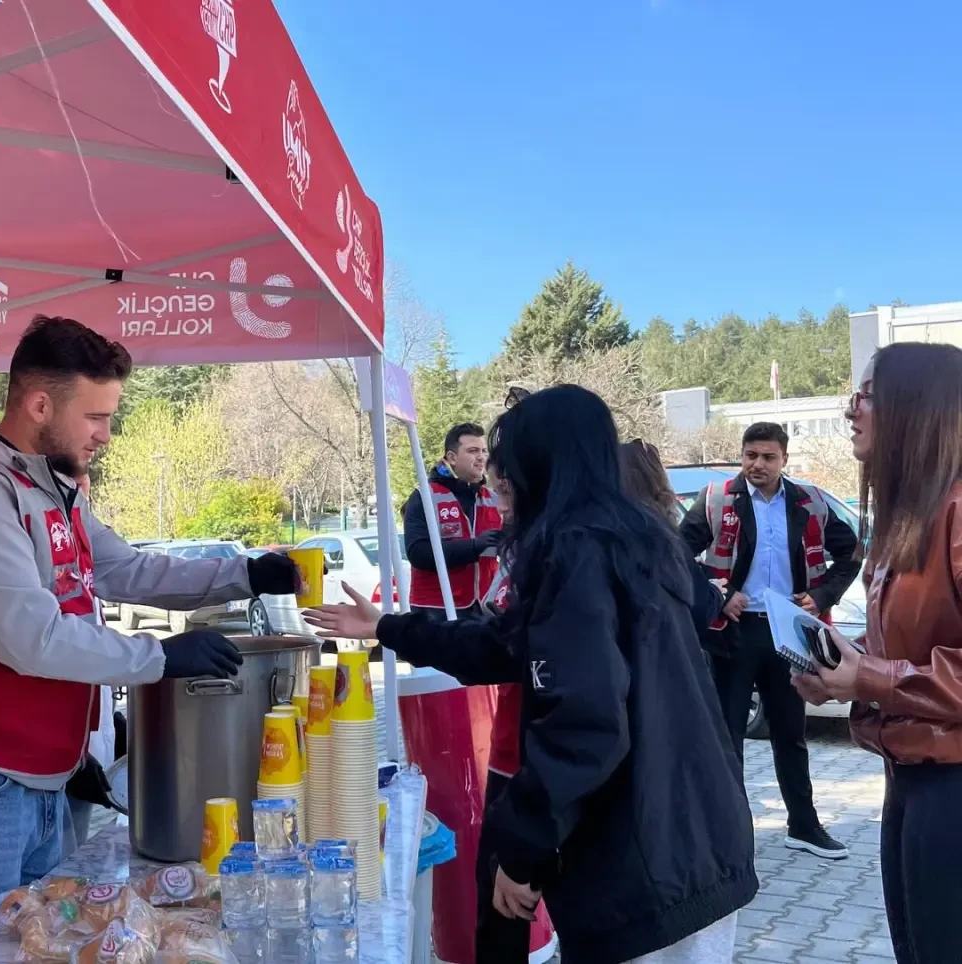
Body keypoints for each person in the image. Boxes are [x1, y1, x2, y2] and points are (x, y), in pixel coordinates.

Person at [0, 316, 299, 964]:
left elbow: (126, 568)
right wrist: (157, 659)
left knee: (42, 950)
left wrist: (240, 573)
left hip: (47, 777)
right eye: (95, 417)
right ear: (39, 403)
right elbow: (34, 637)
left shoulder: (50, 486)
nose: (105, 434)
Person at [307, 385, 757, 964]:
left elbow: (585, 724)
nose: (500, 485)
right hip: (699, 843)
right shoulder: (634, 539)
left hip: (646, 866)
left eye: (508, 470)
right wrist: (388, 628)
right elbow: (501, 645)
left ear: (543, 466)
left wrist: (522, 852)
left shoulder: (577, 552)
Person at [794, 342, 962, 963]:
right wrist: (843, 665)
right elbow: (910, 647)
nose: (851, 410)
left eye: (868, 394)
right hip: (910, 780)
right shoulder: (908, 519)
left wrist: (870, 675)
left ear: (918, 407)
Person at [679, 421, 859, 859]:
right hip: (735, 631)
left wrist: (820, 596)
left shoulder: (808, 501)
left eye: (767, 457)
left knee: (790, 732)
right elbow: (675, 553)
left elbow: (850, 552)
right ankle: (730, 834)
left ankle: (804, 825)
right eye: (750, 455)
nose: (757, 464)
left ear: (784, 460)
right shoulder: (718, 498)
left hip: (788, 630)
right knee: (728, 737)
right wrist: (717, 593)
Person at [477, 458, 558, 963]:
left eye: (506, 491)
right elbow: (491, 633)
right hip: (512, 752)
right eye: (493, 492)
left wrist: (521, 854)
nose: (499, 504)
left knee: (509, 898)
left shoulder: (563, 555)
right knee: (498, 912)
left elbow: (583, 724)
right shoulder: (524, 549)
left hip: (541, 767)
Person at [618, 439, 725, 653]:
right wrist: (716, 592)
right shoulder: (658, 534)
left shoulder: (601, 530)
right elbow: (696, 608)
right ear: (656, 478)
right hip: (659, 661)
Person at [402, 422, 502, 616]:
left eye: (483, 451)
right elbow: (418, 553)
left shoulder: (494, 498)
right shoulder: (425, 496)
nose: (481, 457)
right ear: (452, 458)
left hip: (483, 609)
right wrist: (473, 547)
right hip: (435, 611)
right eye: (472, 451)